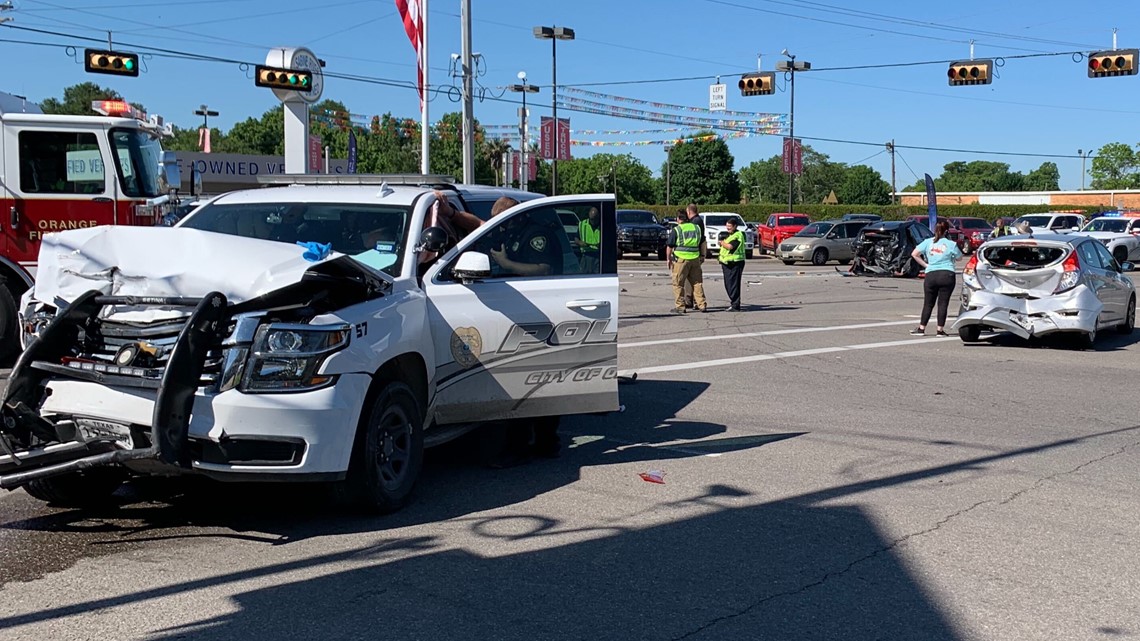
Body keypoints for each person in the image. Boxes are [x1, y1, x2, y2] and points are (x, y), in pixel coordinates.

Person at [909, 219, 963, 337]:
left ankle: (921, 328)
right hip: (947, 274)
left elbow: (914, 254)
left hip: (931, 274)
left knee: (928, 303)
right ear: (947, 231)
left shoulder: (928, 242)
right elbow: (959, 258)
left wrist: (926, 265)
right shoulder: (951, 244)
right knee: (943, 303)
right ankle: (940, 330)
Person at [666, 210, 707, 313]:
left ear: (678, 219)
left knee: (678, 284)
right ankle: (701, 304)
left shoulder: (677, 229)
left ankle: (680, 306)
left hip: (681, 260)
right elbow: (703, 242)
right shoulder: (696, 228)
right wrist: (703, 255)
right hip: (695, 259)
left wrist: (668, 259)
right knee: (697, 283)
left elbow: (670, 246)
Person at [718, 218, 746, 311]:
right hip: (727, 263)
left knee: (733, 285)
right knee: (728, 284)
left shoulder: (738, 235)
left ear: (735, 226)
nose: (728, 228)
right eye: (727, 226)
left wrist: (722, 243)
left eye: (730, 227)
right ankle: (733, 303)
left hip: (735, 263)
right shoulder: (730, 235)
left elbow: (730, 246)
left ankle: (735, 305)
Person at [683, 203, 706, 308]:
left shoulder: (695, 222)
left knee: (693, 277)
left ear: (688, 211)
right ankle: (693, 300)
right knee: (693, 277)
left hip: (694, 253)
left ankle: (693, 301)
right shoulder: (698, 220)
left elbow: (697, 239)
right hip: (697, 251)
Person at [576, 207, 601, 273]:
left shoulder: (602, 225)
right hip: (585, 256)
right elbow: (576, 238)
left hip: (597, 256)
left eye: (595, 219)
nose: (593, 221)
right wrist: (580, 243)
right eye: (592, 219)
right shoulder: (582, 224)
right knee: (583, 278)